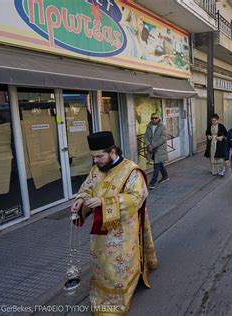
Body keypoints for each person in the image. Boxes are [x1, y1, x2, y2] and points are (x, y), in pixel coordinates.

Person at [71, 131, 158, 314]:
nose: (95, 161)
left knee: (118, 266)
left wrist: (104, 203)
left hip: (123, 232)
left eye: (99, 156)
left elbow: (137, 198)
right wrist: (81, 199)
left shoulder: (131, 171)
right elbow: (88, 187)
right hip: (99, 231)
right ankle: (101, 293)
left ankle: (119, 297)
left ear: (112, 152)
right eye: (93, 157)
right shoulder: (97, 169)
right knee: (100, 263)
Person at [145, 113, 169, 189]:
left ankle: (152, 183)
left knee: (156, 165)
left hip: (159, 149)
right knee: (158, 163)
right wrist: (148, 145)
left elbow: (163, 138)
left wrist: (153, 145)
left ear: (159, 119)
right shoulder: (149, 126)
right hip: (152, 149)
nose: (154, 119)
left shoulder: (162, 127)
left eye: (155, 118)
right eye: (152, 118)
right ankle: (165, 176)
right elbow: (145, 136)